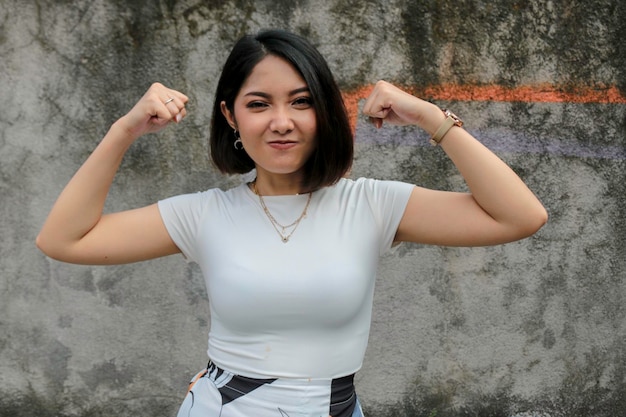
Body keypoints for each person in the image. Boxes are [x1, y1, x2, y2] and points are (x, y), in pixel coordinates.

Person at [36, 29, 547, 417]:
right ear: (231, 117)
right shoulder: (203, 214)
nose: (282, 121)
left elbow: (521, 216)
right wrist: (125, 129)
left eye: (301, 102)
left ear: (324, 112)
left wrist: (430, 118)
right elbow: (62, 239)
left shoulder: (370, 205)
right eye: (259, 104)